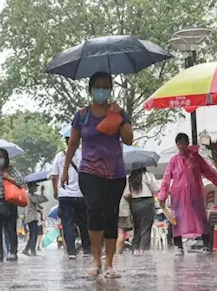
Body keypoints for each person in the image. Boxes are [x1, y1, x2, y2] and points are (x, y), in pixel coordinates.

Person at [61, 71, 133, 278]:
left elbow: (128, 139)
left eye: (106, 86)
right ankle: (95, 259)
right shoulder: (82, 115)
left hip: (115, 173)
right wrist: (65, 169)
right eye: (98, 86)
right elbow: (73, 143)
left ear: (111, 89)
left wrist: (119, 118)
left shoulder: (119, 112)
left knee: (111, 214)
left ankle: (109, 263)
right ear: (91, 89)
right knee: (94, 208)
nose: (102, 90)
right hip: (89, 172)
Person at [158, 133, 217, 256]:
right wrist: (162, 196)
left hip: (195, 193)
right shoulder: (173, 160)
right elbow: (166, 179)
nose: (181, 146)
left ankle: (206, 244)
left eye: (183, 143)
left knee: (200, 218)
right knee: (177, 220)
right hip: (178, 195)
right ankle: (178, 246)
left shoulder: (196, 158)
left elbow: (208, 171)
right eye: (178, 144)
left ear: (187, 143)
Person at [50, 140, 90, 259]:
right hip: (81, 194)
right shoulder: (83, 155)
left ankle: (71, 252)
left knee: (67, 224)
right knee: (84, 223)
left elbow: (54, 176)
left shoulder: (59, 156)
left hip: (64, 195)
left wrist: (56, 191)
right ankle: (87, 249)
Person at [124, 167, 159, 255]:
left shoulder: (130, 178)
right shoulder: (148, 175)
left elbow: (126, 194)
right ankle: (143, 249)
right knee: (146, 227)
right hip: (147, 201)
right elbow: (155, 189)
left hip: (135, 203)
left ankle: (135, 249)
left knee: (137, 227)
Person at [22, 184, 48, 256]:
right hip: (31, 217)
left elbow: (40, 202)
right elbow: (39, 200)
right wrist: (42, 192)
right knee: (33, 234)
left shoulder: (31, 195)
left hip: (33, 217)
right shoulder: (29, 195)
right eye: (34, 187)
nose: (36, 188)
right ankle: (32, 251)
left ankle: (26, 250)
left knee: (33, 234)